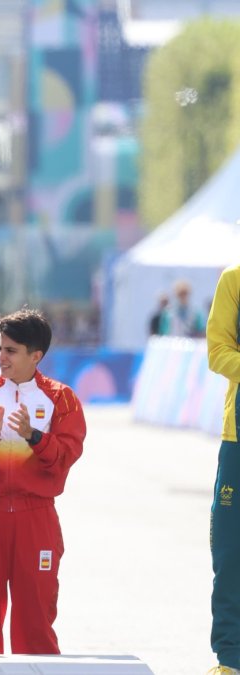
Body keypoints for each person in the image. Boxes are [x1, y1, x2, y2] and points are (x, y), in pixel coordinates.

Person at [0, 308, 87, 654]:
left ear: (35, 356)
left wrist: (34, 436)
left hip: (35, 517)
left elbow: (67, 456)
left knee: (35, 621)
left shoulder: (60, 398)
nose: (1, 357)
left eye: (11, 351)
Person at [207, 264, 240, 674]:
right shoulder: (234, 280)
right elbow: (217, 350)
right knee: (231, 551)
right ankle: (231, 658)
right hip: (239, 438)